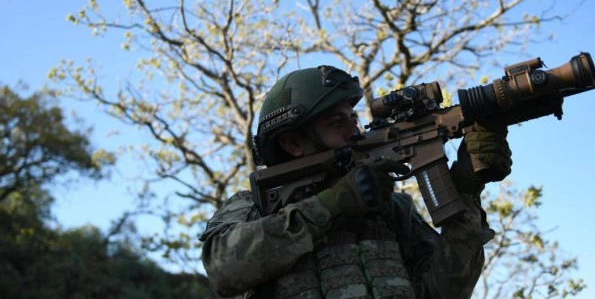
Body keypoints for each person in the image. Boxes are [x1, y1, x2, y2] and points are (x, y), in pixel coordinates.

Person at [200, 66, 513, 298]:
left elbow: (446, 291)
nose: (354, 132)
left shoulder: (392, 210)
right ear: (293, 143)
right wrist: (329, 205)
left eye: (353, 119)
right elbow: (224, 269)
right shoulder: (254, 207)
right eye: (337, 123)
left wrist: (467, 190)